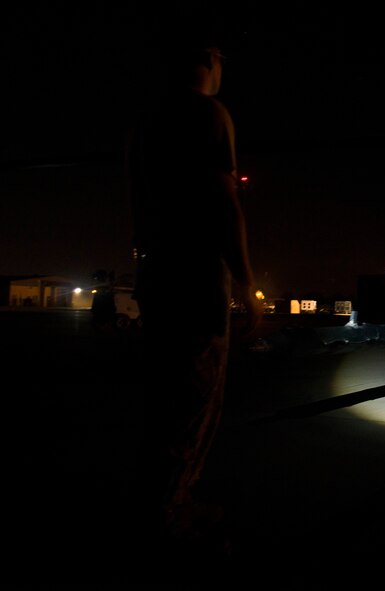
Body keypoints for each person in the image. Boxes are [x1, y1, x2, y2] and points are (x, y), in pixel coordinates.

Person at [124, 33, 262, 548]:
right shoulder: (208, 115)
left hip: (155, 274)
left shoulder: (145, 122)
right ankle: (170, 513)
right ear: (208, 59)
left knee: (162, 398)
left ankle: (154, 503)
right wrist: (247, 284)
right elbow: (225, 205)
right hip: (194, 276)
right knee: (195, 397)